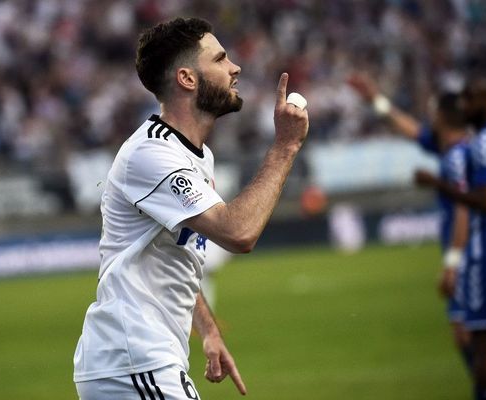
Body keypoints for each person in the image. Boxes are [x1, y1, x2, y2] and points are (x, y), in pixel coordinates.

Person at [73, 17, 309, 400]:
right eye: (220, 59)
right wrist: (285, 147)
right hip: (133, 360)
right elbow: (238, 233)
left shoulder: (194, 156)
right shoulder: (152, 154)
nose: (235, 68)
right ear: (187, 79)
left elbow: (178, 253)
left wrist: (209, 330)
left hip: (137, 361)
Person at [348, 74, 486, 397]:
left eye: (433, 113)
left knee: (475, 334)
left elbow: (464, 211)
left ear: (442, 117)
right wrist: (376, 100)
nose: (428, 119)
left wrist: (454, 262)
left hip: (478, 257)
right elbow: (409, 129)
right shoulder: (461, 147)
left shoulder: (457, 157)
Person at [415, 78, 486, 400]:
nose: (465, 104)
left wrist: (437, 184)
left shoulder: (480, 145)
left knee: (481, 338)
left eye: (471, 98)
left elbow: (477, 203)